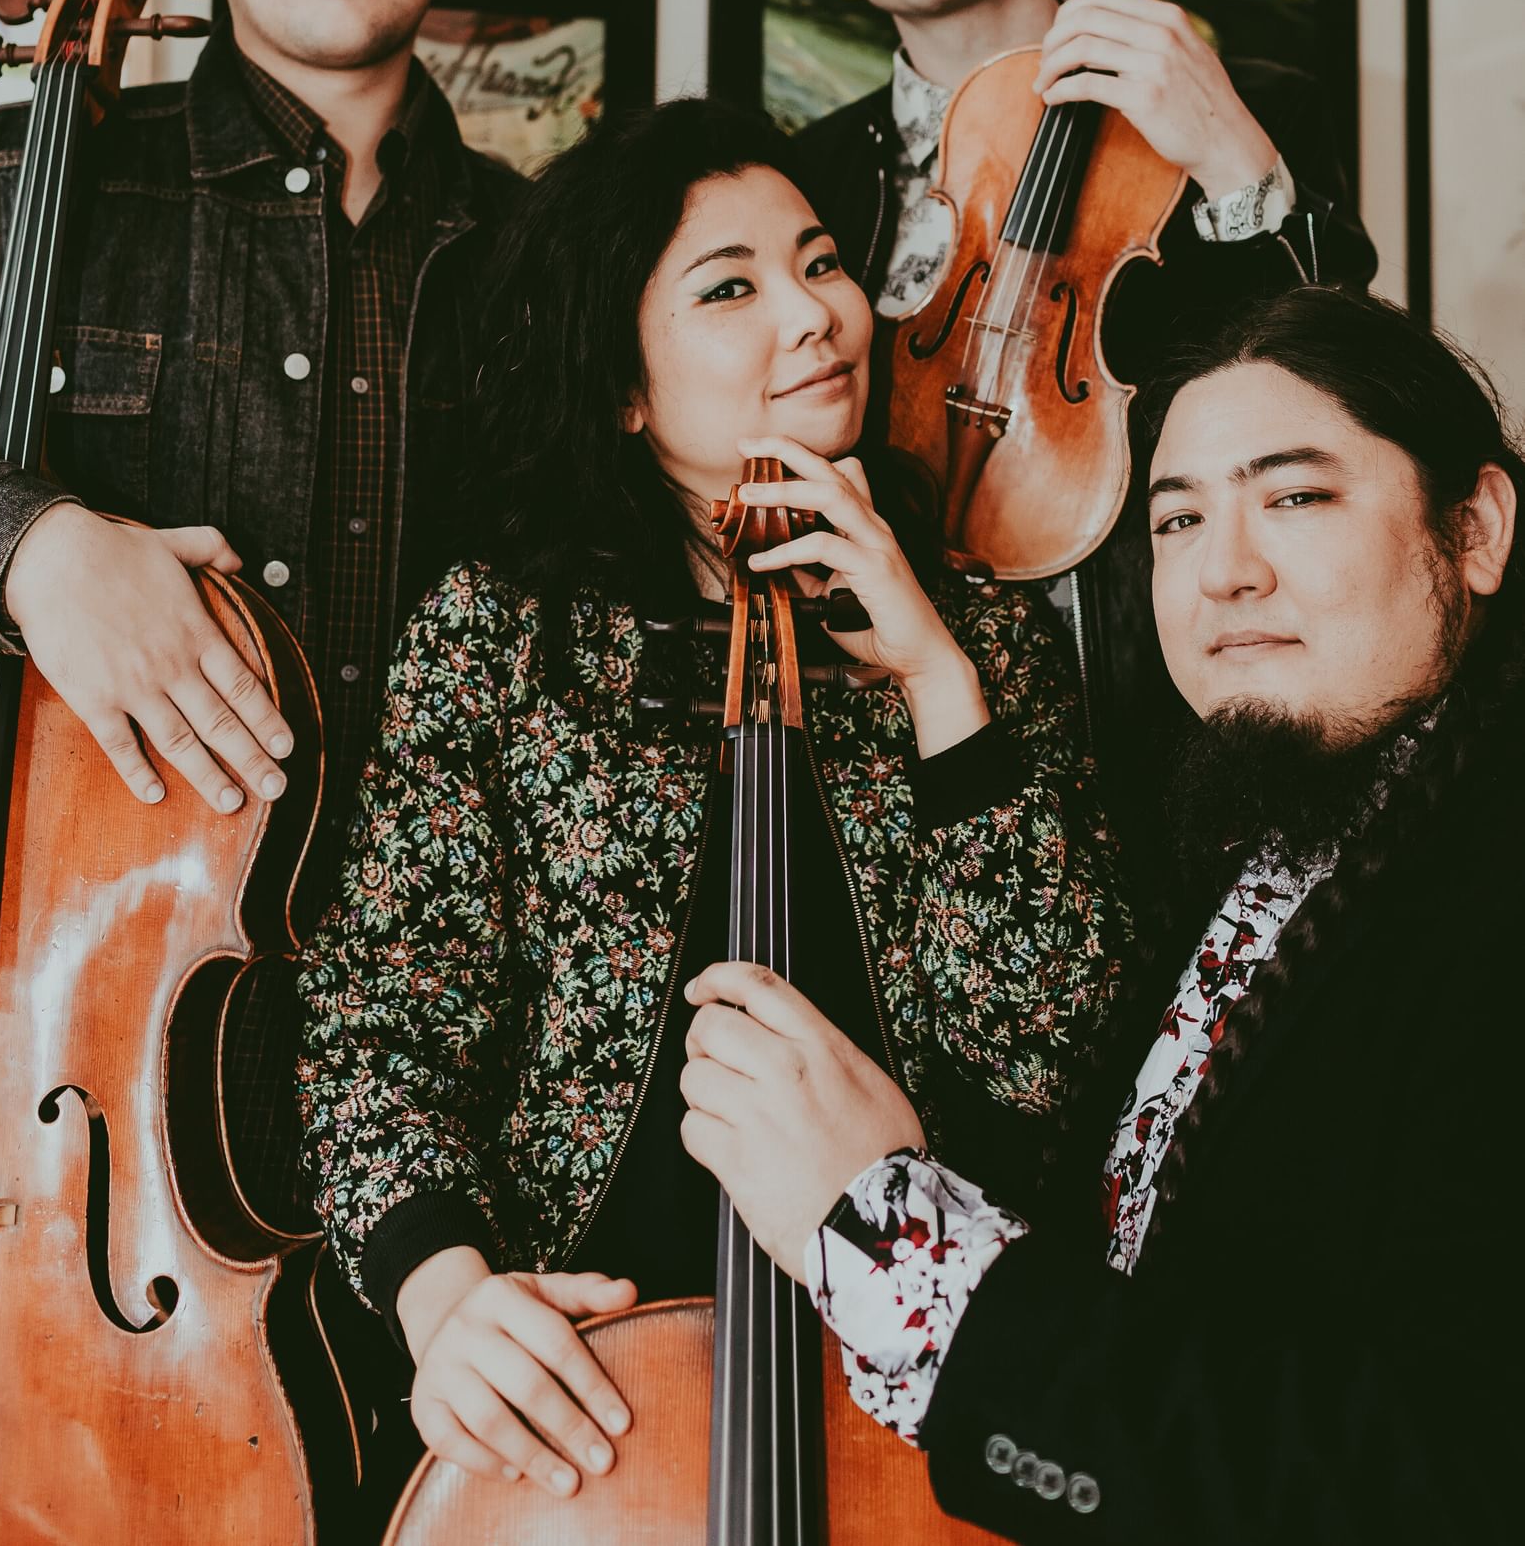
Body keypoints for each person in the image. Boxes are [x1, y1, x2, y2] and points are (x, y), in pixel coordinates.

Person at [296, 99, 1131, 1504]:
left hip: (935, 1409)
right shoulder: (502, 637)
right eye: (729, 288)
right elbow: (383, 1023)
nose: (813, 316)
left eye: (817, 263)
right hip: (588, 1405)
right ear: (620, 385)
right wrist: (442, 1292)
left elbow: (1055, 1064)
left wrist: (935, 675)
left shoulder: (978, 637)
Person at [682, 285, 1521, 1542]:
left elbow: (1427, 1482)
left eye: (1293, 496)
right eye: (1176, 519)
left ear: (1475, 528)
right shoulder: (1260, 838)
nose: (1223, 572)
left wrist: (891, 1230)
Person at [0, 0, 524, 1215]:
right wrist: (30, 547)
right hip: (70, 1019)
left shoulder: (550, 256)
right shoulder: (2, 178)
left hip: (448, 1049)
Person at [758, 0, 1378, 833]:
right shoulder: (795, 181)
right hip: (888, 779)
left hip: (1177, 738)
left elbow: (1348, 392)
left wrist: (1234, 168)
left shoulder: (1245, 110)